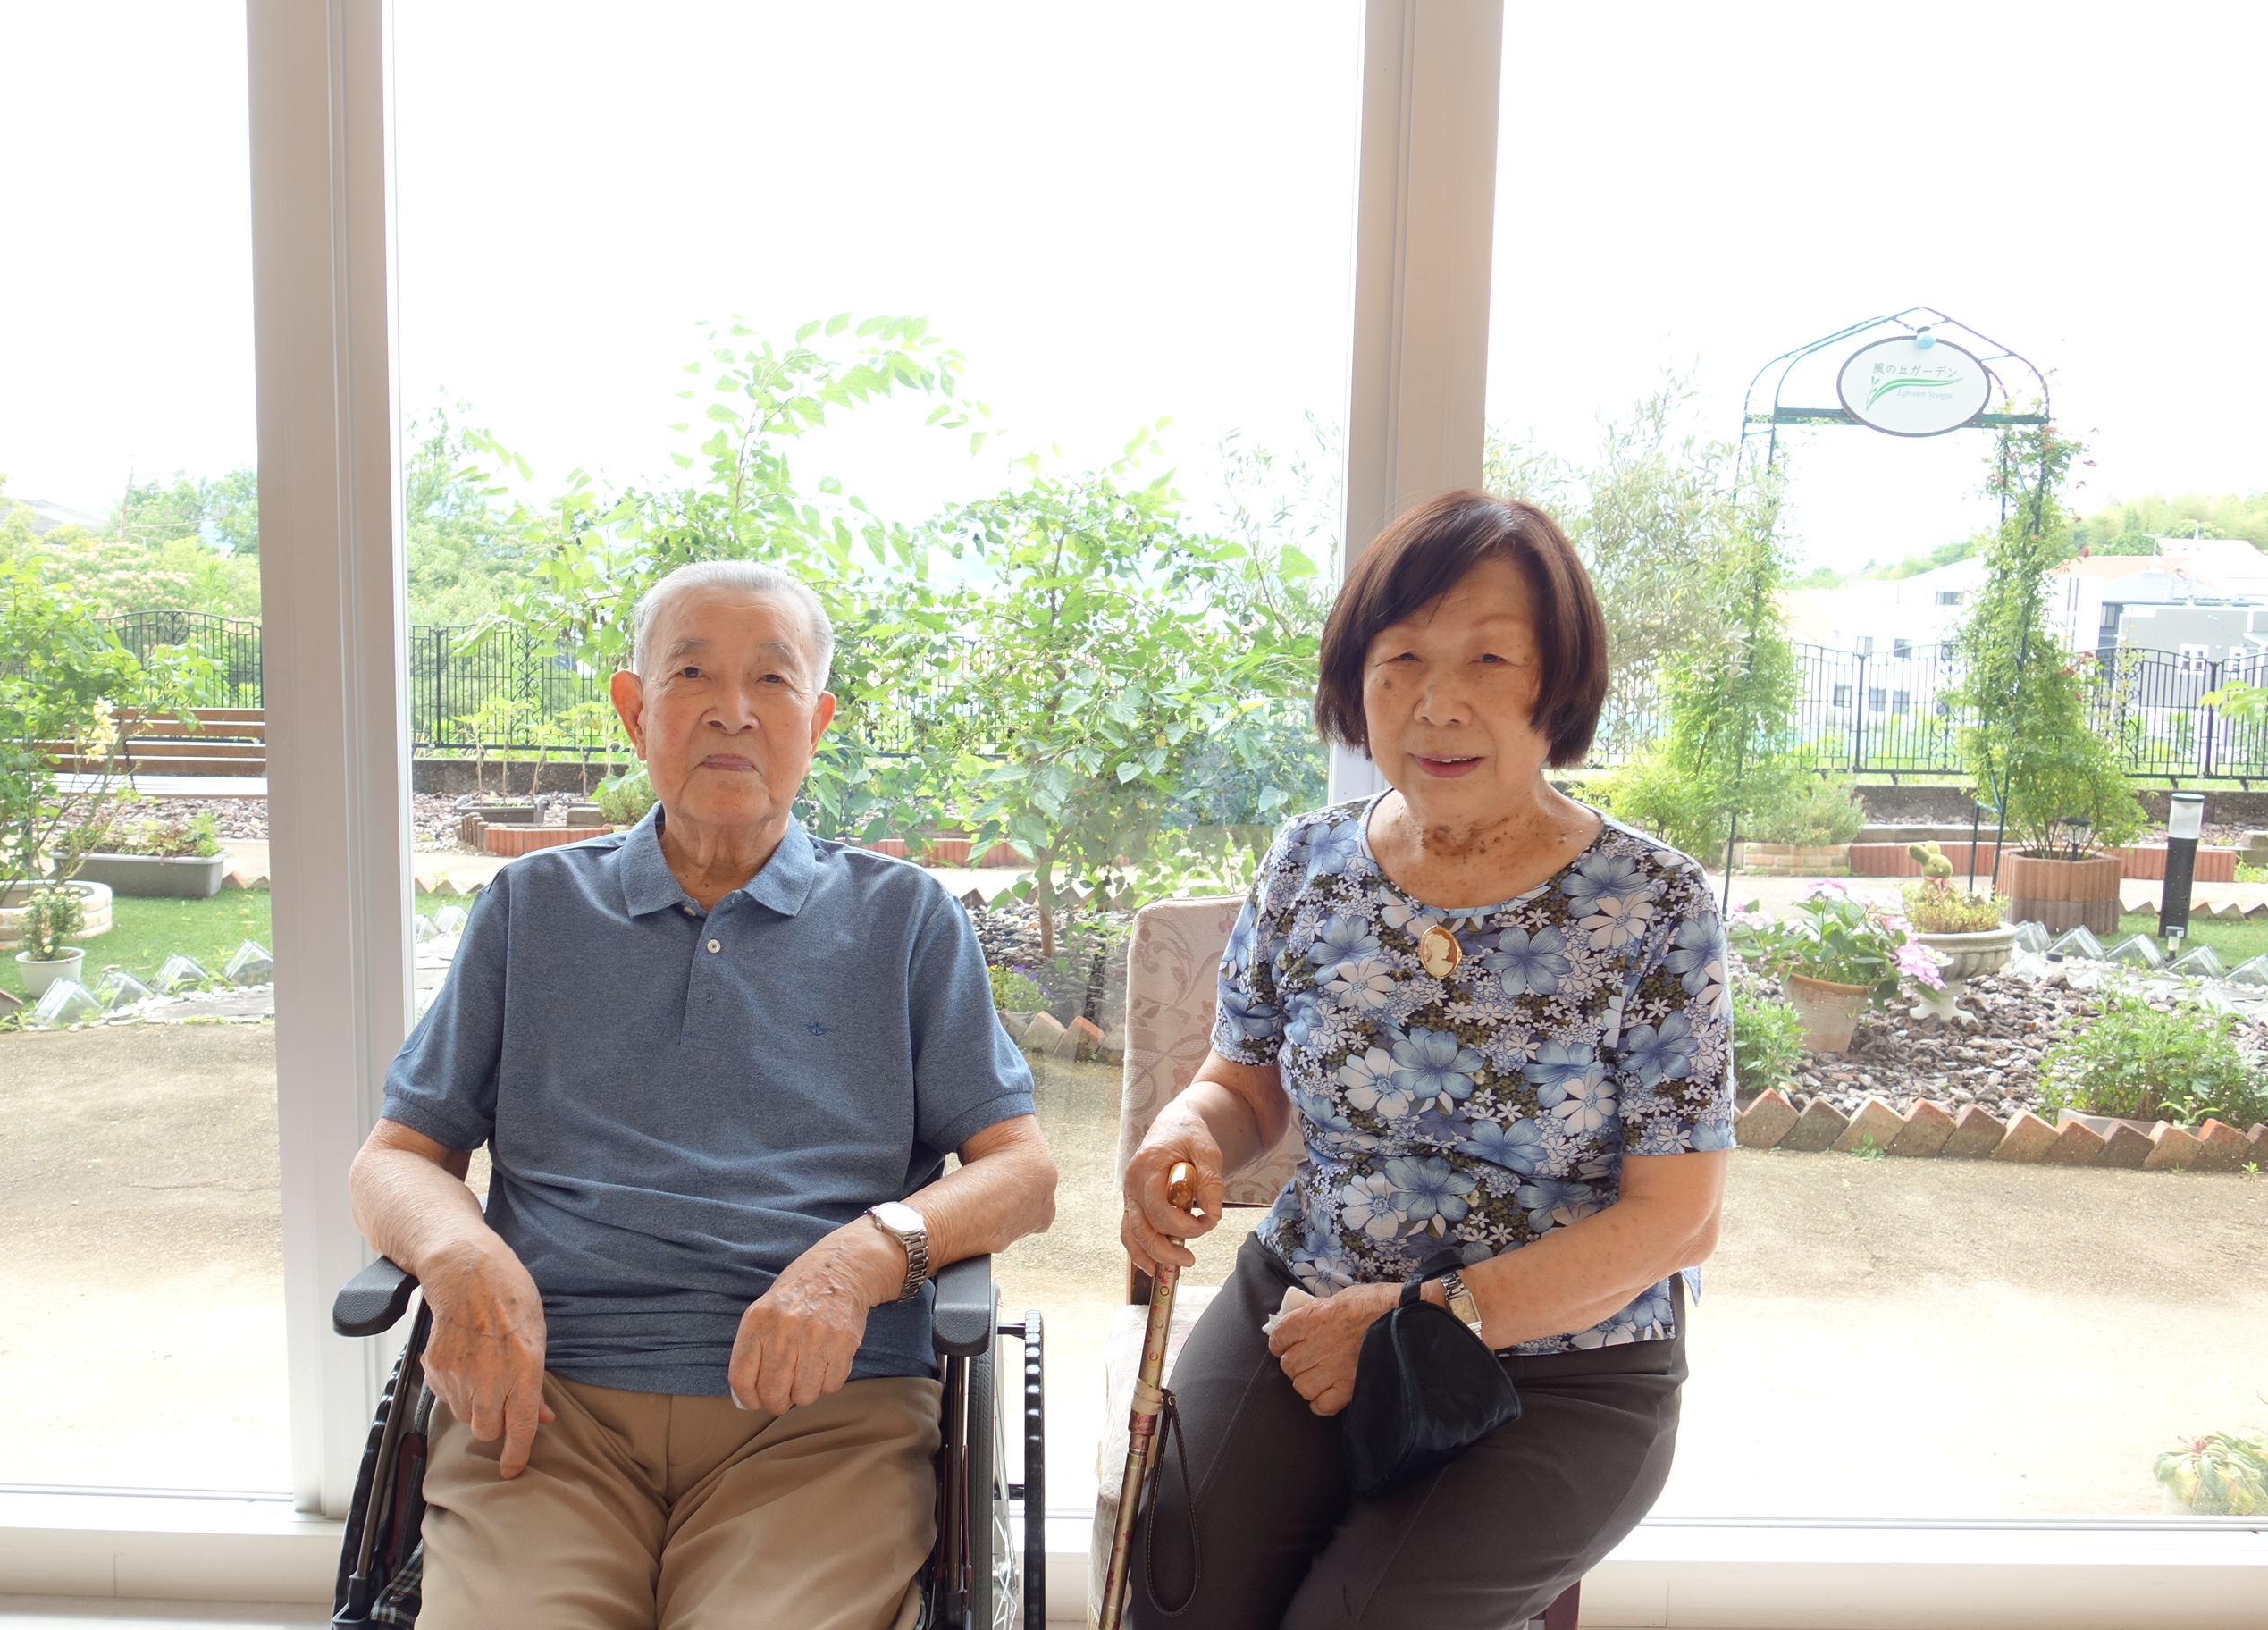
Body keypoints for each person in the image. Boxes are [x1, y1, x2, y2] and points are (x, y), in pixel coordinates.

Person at [354, 559, 1058, 1630]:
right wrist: (458, 1255)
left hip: (826, 1418)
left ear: (817, 722)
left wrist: (868, 1257)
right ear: (634, 710)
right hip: (549, 1406)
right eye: (691, 674)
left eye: (772, 679)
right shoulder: (533, 908)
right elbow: (398, 1157)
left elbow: (1023, 1173)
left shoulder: (905, 920)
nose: (734, 710)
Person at [1119, 491, 1733, 1630]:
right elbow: (1243, 1082)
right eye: (1401, 659)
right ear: (1356, 681)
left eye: (1490, 658)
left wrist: (1421, 1317)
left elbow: (1677, 1219)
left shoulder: (1653, 905)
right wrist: (1187, 1133)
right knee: (1176, 1597)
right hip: (1307, 1307)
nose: (1438, 704)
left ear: (1559, 683)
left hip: (1563, 1361)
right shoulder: (1308, 863)